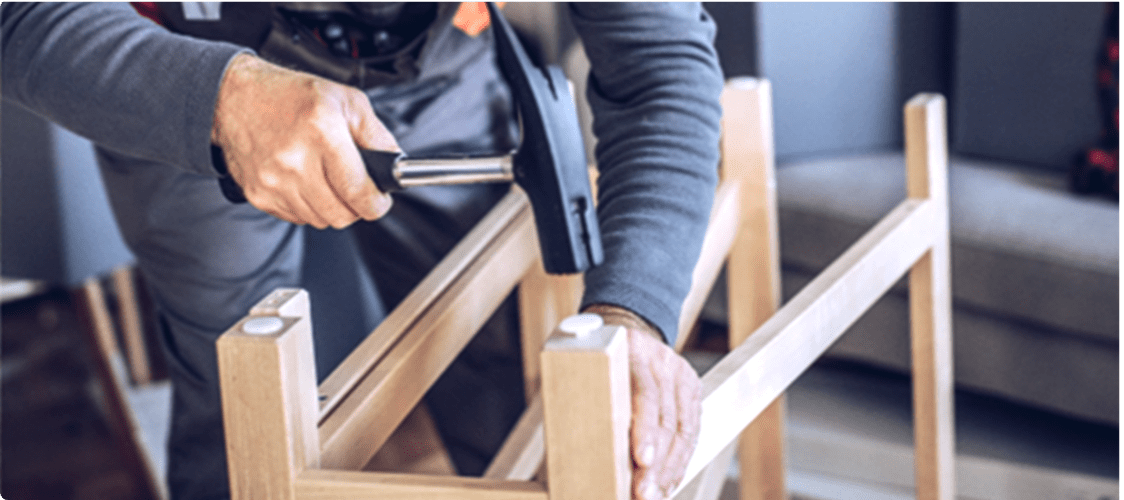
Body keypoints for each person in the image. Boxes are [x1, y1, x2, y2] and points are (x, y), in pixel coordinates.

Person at [1, 2, 724, 499]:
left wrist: (631, 313)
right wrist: (220, 100)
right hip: (192, 66)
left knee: (523, 402)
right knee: (238, 414)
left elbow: (660, 66)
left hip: (442, 63)